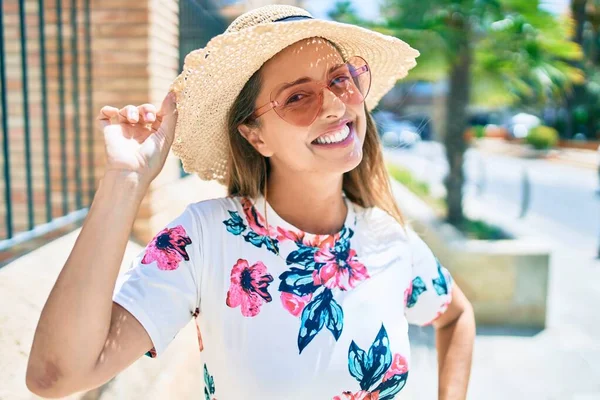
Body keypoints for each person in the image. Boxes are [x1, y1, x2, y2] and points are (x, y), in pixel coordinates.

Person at [26, 5, 475, 399]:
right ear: (254, 135)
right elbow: (56, 376)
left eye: (341, 81)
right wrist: (126, 180)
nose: (336, 106)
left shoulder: (389, 237)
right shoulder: (203, 240)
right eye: (298, 97)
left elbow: (455, 315)